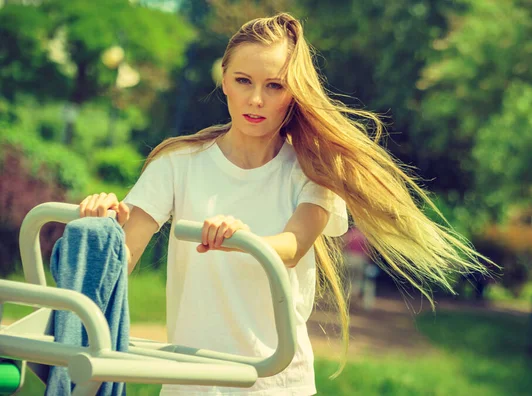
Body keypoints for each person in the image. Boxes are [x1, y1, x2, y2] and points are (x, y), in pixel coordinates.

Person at [79, 13, 492, 395]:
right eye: (243, 81)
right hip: (192, 383)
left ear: (293, 93)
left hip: (278, 384)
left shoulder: (313, 172)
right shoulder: (177, 163)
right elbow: (124, 252)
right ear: (224, 80)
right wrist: (101, 223)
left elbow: (293, 246)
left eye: (274, 85)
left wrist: (244, 238)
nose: (256, 99)